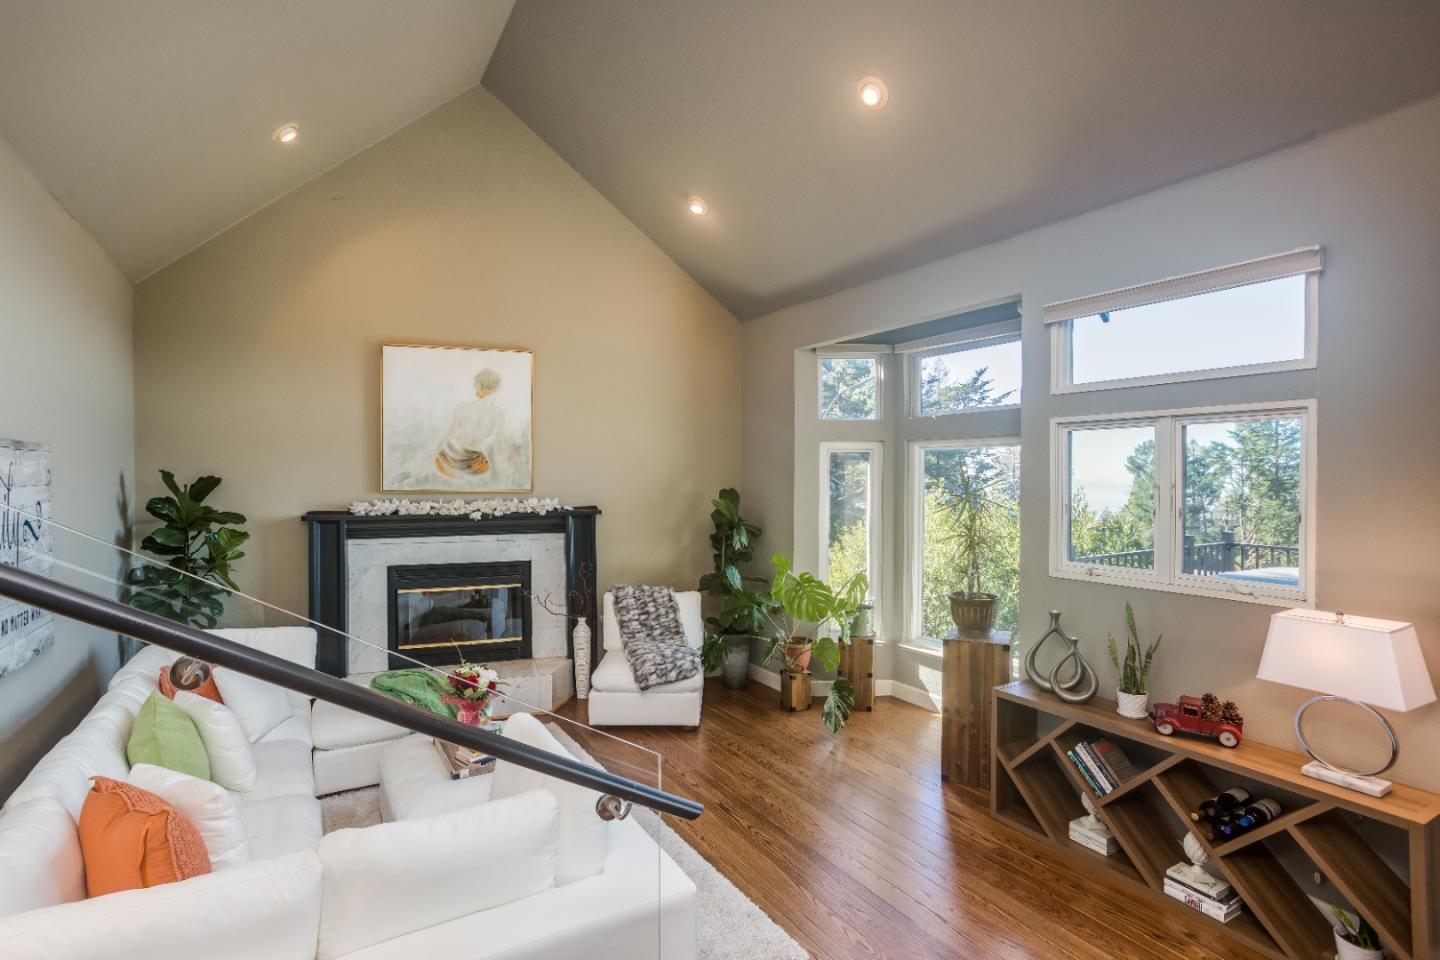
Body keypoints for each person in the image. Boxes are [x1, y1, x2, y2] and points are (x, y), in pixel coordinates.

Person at [434, 368, 507, 479]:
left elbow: (451, 432)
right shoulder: (499, 414)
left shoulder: (463, 407)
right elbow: (497, 441)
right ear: (495, 389)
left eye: (475, 385)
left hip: (450, 454)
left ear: (478, 386)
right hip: (474, 461)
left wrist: (436, 449)